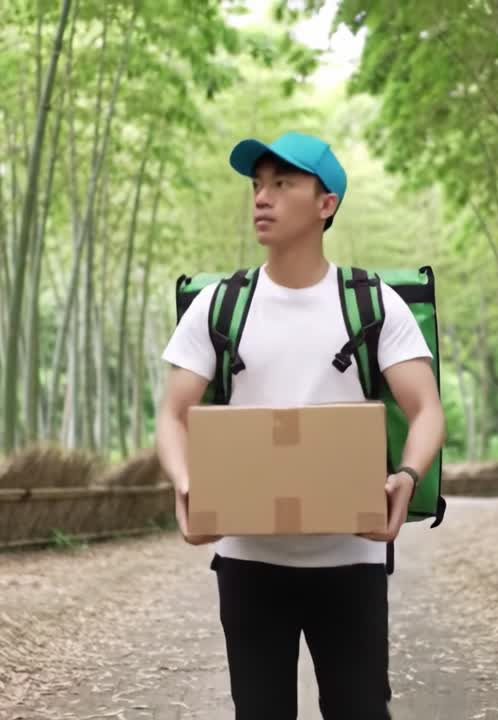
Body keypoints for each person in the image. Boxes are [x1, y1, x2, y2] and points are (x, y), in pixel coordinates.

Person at [154, 130, 445, 719]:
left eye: (283, 184)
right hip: (247, 557)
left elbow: (426, 410)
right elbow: (173, 415)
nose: (262, 197)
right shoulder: (221, 304)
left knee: (359, 711)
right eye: (258, 185)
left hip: (352, 559)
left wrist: (408, 476)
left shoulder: (372, 302)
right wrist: (188, 485)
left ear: (326, 204)